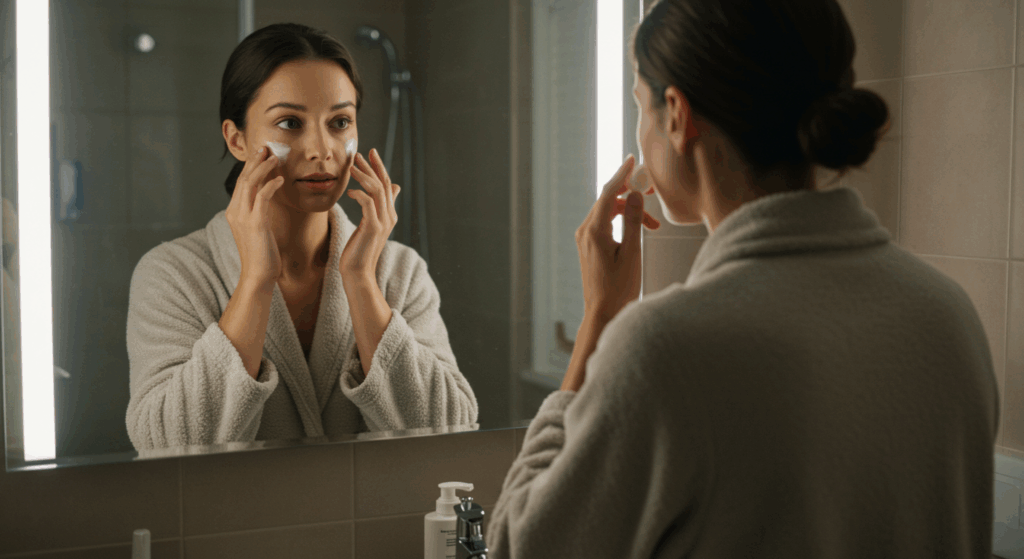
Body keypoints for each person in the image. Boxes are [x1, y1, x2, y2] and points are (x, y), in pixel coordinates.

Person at [489, 0, 999, 556]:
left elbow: (524, 546)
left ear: (678, 116)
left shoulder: (666, 350)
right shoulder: (947, 315)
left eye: (640, 104)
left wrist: (601, 317)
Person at [125, 23, 478, 451]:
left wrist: (361, 279)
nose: (322, 149)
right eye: (290, 122)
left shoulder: (400, 272)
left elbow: (451, 431)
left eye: (340, 122)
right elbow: (166, 445)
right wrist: (255, 280)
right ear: (237, 139)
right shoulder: (174, 275)